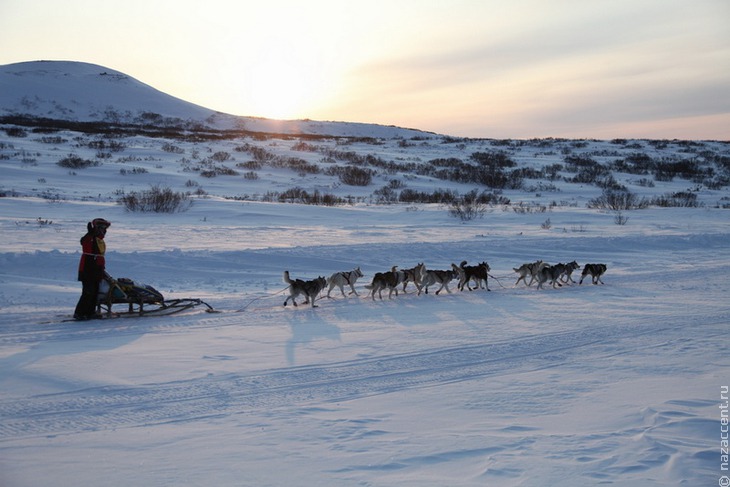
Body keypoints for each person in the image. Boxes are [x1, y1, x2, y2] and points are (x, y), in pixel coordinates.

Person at [74, 218, 110, 320]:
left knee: (95, 291)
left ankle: (90, 312)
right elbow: (84, 243)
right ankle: (80, 313)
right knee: (88, 292)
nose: (103, 230)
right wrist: (89, 234)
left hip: (97, 268)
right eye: (101, 227)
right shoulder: (90, 237)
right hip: (87, 268)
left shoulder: (100, 239)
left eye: (104, 228)